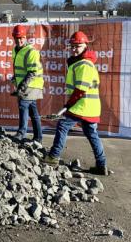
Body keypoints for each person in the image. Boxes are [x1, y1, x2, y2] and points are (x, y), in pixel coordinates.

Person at [43, 31, 108, 176]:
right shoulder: (80, 63)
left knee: (63, 125)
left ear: (85, 46)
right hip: (89, 107)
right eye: (72, 46)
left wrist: (68, 105)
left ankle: (53, 157)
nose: (74, 49)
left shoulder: (83, 65)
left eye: (77, 46)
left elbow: (80, 90)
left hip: (82, 106)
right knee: (92, 134)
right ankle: (101, 165)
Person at [10, 24, 44, 145]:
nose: (19, 40)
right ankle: (38, 138)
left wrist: (22, 87)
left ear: (25, 37)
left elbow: (32, 72)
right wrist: (15, 78)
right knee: (33, 112)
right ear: (14, 38)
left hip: (32, 84)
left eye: (21, 38)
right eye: (17, 38)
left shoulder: (31, 51)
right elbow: (18, 68)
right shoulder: (15, 50)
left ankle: (21, 132)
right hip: (27, 84)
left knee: (23, 105)